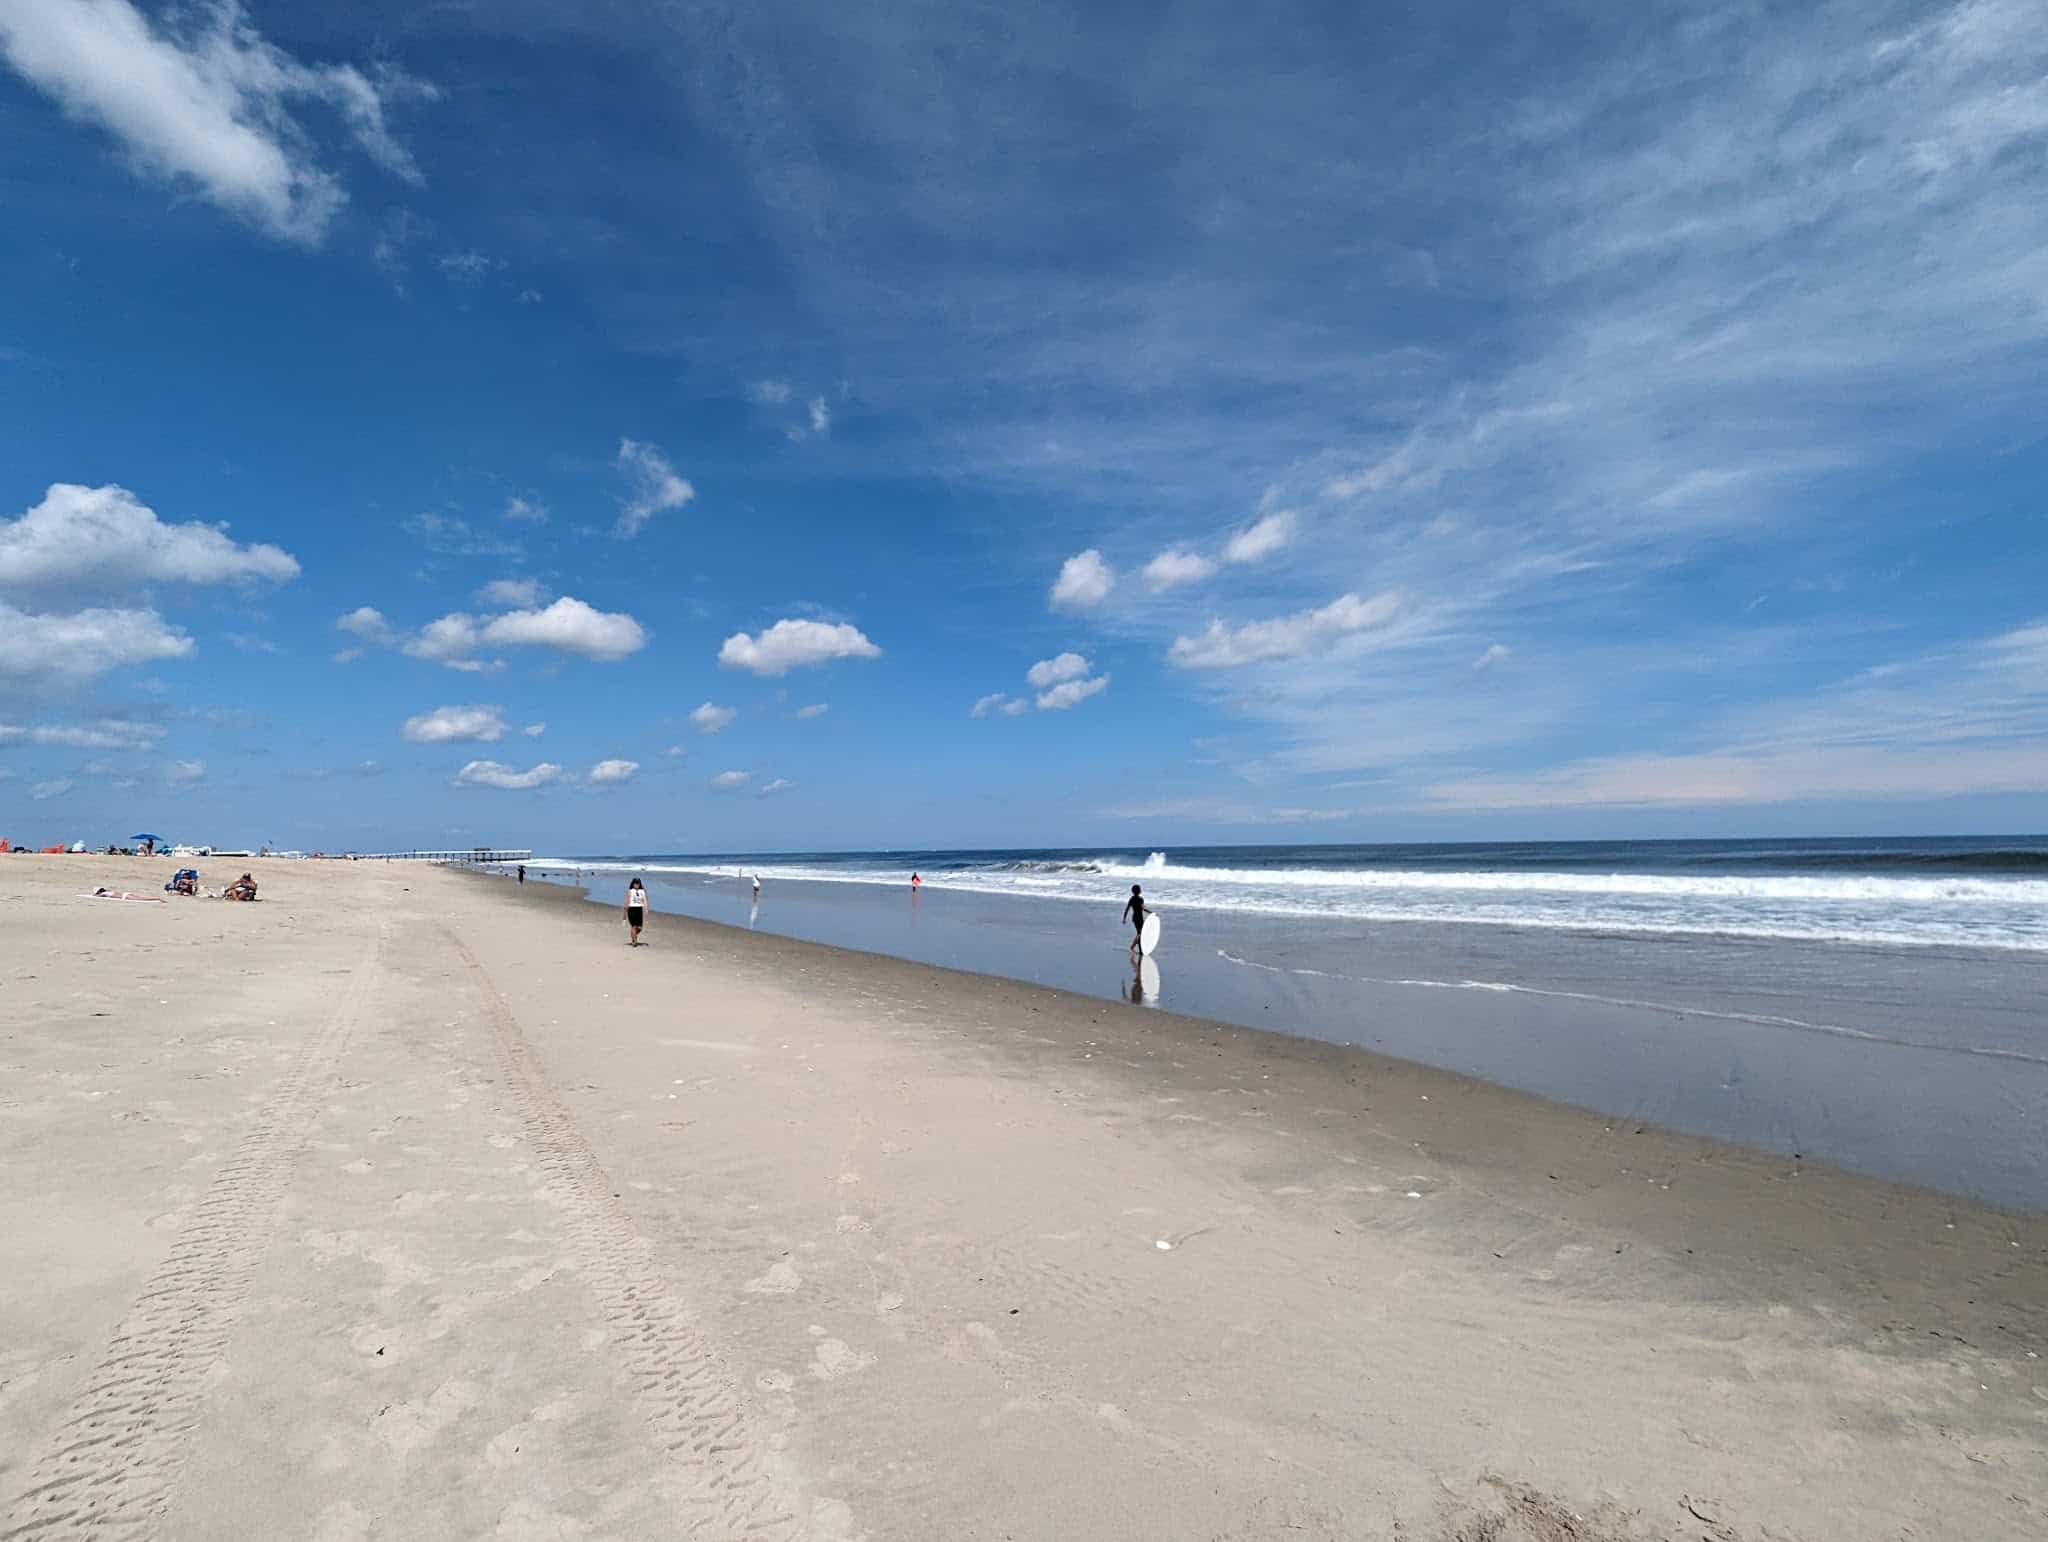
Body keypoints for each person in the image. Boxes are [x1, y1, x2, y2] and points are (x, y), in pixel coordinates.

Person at [1121, 883, 1148, 956]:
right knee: (1140, 934)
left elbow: (1127, 909)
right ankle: (1132, 947)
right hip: (1139, 918)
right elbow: (1143, 909)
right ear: (1139, 891)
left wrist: (1124, 918)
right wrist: (1151, 912)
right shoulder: (1140, 899)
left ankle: (1140, 950)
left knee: (1140, 933)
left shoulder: (1132, 899)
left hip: (1135, 918)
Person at [625, 877, 648, 946]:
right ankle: (634, 942)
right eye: (635, 883)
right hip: (631, 909)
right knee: (634, 926)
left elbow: (644, 900)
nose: (636, 885)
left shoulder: (642, 891)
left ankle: (633, 936)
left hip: (639, 910)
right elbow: (627, 900)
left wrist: (646, 908)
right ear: (633, 884)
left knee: (640, 928)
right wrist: (625, 908)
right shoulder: (630, 891)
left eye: (638, 883)